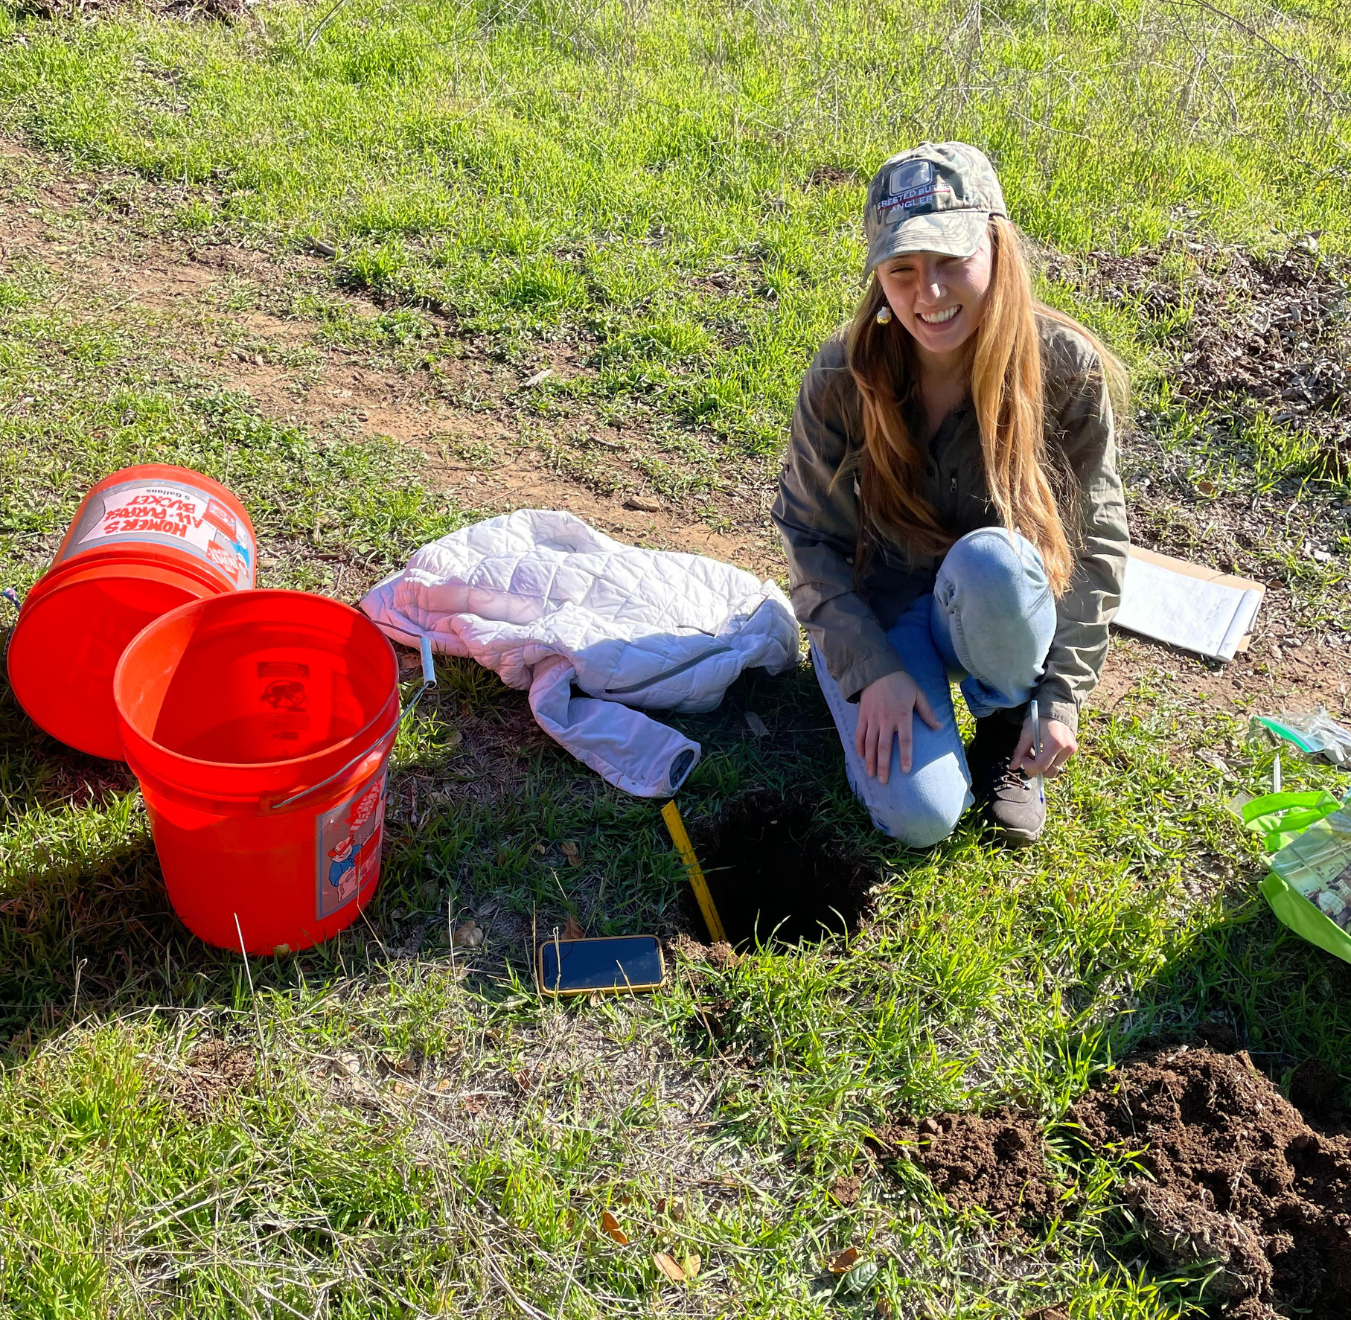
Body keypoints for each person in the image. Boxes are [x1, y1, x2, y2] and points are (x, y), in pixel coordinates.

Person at [773, 142, 1129, 848]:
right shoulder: (844, 372)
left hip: (993, 608)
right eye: (902, 269)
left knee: (993, 562)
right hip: (881, 611)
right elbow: (808, 539)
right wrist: (870, 670)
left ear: (996, 246)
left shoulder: (1063, 368)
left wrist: (1058, 700)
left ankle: (1003, 726)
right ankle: (879, 697)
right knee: (920, 818)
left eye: (949, 263)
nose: (927, 295)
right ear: (878, 273)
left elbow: (1094, 546)